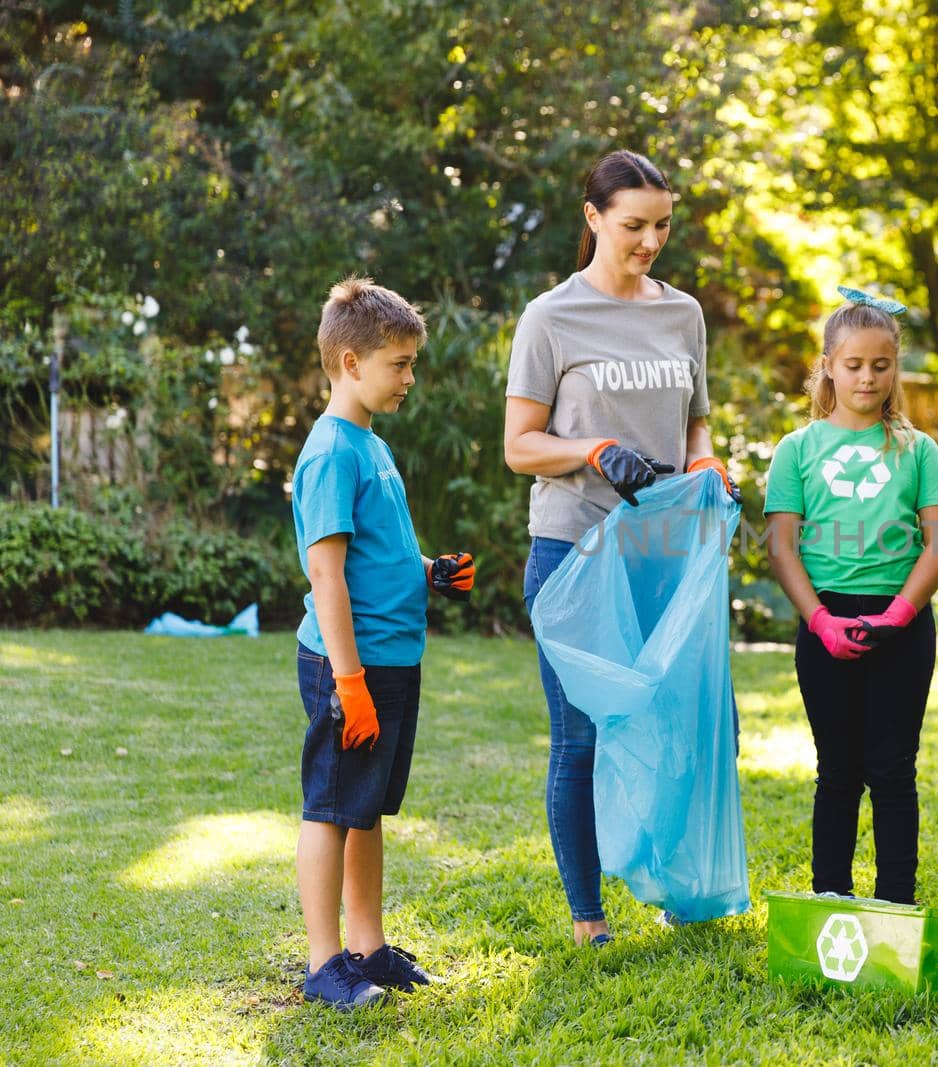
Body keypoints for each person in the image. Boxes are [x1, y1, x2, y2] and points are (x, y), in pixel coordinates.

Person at [503, 150, 738, 946]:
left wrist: (705, 459)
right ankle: (588, 917)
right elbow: (519, 444)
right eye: (633, 224)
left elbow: (696, 419)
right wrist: (595, 447)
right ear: (593, 217)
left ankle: (675, 890)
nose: (649, 241)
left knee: (673, 722)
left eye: (662, 225)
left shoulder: (683, 315)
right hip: (575, 552)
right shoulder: (551, 317)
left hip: (664, 552)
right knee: (583, 735)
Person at [291, 277, 476, 1009]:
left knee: (364, 807)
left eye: (411, 363)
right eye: (398, 363)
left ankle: (368, 947)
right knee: (331, 806)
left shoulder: (369, 444)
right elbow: (327, 575)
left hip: (392, 659)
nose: (409, 378)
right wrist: (349, 681)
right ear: (349, 362)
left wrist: (429, 571)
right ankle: (322, 961)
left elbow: (373, 554)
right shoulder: (332, 451)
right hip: (353, 666)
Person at [765, 287, 938, 905]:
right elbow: (781, 547)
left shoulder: (919, 450)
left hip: (901, 622)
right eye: (853, 365)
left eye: (881, 364)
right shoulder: (797, 450)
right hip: (826, 620)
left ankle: (897, 902)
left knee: (894, 770)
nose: (868, 377)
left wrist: (899, 615)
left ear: (895, 367)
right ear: (827, 366)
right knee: (838, 772)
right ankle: (831, 900)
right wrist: (820, 621)